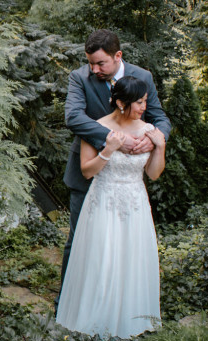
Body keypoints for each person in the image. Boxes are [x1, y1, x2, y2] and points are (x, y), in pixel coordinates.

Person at [55, 75, 166, 338]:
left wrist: (159, 147)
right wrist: (108, 149)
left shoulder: (148, 130)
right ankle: (95, 321)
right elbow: (86, 171)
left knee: (131, 260)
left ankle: (131, 321)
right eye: (138, 102)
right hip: (103, 202)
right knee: (101, 259)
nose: (142, 108)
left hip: (136, 204)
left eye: (145, 102)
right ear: (119, 103)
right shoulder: (97, 128)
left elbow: (153, 174)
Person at [58, 30, 171, 289]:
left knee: (122, 243)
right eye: (91, 63)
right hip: (87, 170)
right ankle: (67, 301)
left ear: (117, 55)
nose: (94, 68)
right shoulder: (79, 78)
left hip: (125, 178)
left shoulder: (143, 77)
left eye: (101, 63)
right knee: (79, 240)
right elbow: (74, 117)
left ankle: (115, 301)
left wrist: (153, 138)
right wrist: (115, 139)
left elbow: (159, 117)